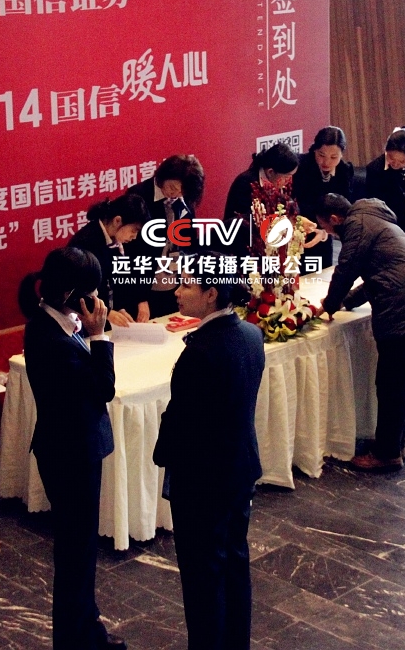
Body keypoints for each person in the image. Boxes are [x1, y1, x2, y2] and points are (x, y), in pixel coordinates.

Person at [18, 248, 126, 650]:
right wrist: (99, 336)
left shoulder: (52, 324)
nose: (97, 300)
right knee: (75, 552)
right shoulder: (53, 339)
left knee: (78, 550)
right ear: (71, 294)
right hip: (70, 454)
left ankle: (86, 631)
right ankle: (75, 639)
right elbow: (104, 388)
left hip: (68, 448)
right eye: (91, 292)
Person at [154, 269, 264, 650]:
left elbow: (183, 420)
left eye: (187, 285)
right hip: (239, 468)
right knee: (234, 562)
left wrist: (162, 451)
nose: (177, 291)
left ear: (211, 293)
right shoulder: (251, 335)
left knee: (202, 577)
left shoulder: (199, 353)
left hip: (203, 480)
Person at [315, 194, 405, 472]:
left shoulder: (356, 226)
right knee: (404, 381)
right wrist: (345, 302)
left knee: (392, 384)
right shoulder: (375, 219)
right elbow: (378, 277)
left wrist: (330, 305)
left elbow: (346, 271)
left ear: (334, 219)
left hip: (400, 310)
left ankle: (387, 453)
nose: (329, 233)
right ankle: (395, 443)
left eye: (326, 227)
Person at [126, 154, 207, 318]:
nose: (175, 193)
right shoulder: (138, 196)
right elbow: (132, 252)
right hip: (147, 284)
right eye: (172, 187)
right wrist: (140, 298)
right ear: (162, 176)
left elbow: (190, 241)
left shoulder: (184, 197)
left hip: (175, 281)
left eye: (181, 191)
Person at [69, 192, 150, 327]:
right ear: (117, 220)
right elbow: (73, 293)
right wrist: (107, 313)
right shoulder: (85, 243)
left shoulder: (115, 241)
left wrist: (119, 308)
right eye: (133, 230)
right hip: (81, 322)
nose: (134, 237)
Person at [223, 142, 304, 259]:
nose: (289, 180)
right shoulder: (245, 183)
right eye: (286, 177)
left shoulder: (284, 181)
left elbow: (292, 205)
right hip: (243, 248)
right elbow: (245, 224)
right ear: (270, 172)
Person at [292, 127, 353, 269]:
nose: (326, 162)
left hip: (326, 231)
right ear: (314, 149)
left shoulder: (344, 170)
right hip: (301, 228)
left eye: (333, 157)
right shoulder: (300, 166)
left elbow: (344, 205)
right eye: (321, 155)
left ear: (342, 154)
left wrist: (325, 231)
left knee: (322, 273)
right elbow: (295, 201)